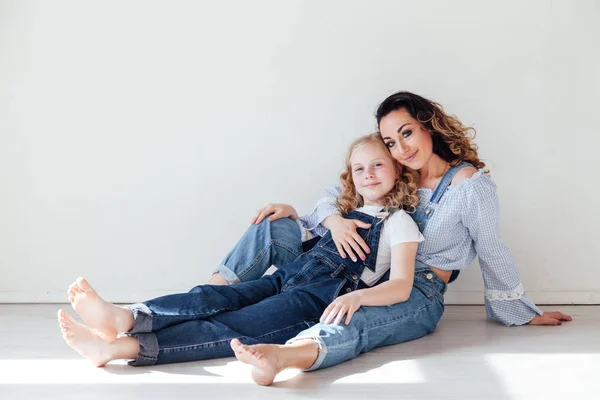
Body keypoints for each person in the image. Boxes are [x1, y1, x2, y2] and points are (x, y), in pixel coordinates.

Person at [208, 91, 572, 385]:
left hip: (415, 288)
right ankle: (209, 295)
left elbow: (493, 250)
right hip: (352, 271)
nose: (401, 148)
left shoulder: (470, 188)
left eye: (407, 133)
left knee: (356, 319)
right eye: (390, 142)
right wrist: (334, 220)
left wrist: (519, 313)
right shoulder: (397, 170)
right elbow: (335, 191)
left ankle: (284, 357)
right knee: (274, 224)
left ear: (429, 125)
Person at [58, 133, 432, 370]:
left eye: (378, 165)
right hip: (287, 278)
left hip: (315, 301)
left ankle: (119, 348)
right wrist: (301, 215)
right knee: (215, 295)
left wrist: (361, 297)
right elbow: (307, 225)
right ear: (350, 177)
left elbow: (400, 285)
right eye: (360, 168)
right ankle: (127, 316)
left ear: (397, 171)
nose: (369, 173)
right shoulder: (343, 212)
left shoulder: (399, 222)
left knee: (232, 326)